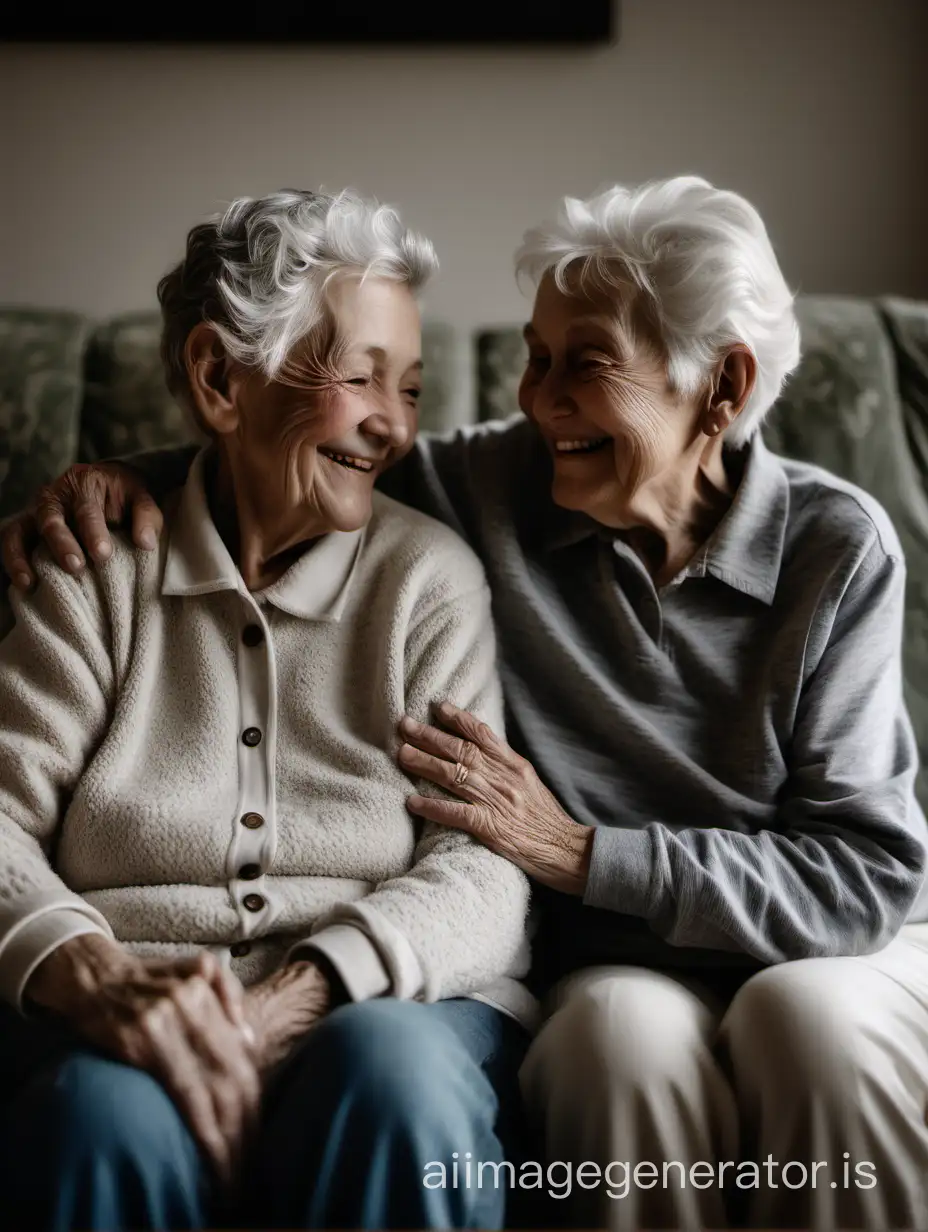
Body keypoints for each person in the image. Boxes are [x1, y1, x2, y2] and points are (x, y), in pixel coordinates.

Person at [8, 175, 928, 1231]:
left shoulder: (834, 548)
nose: (537, 402)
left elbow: (864, 877)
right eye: (535, 359)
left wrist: (580, 851)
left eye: (583, 365)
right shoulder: (497, 487)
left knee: (804, 1021)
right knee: (613, 1043)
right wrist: (104, 481)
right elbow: (275, 457)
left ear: (721, 386)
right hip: (616, 960)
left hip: (816, 939)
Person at [0, 188, 535, 1232]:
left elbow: (482, 862)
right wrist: (92, 972)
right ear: (217, 376)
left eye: (411, 387)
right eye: (359, 376)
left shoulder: (428, 581)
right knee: (99, 1115)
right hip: (132, 1007)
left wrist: (299, 992)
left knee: (387, 1073)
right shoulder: (93, 567)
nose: (392, 424)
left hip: (394, 1005)